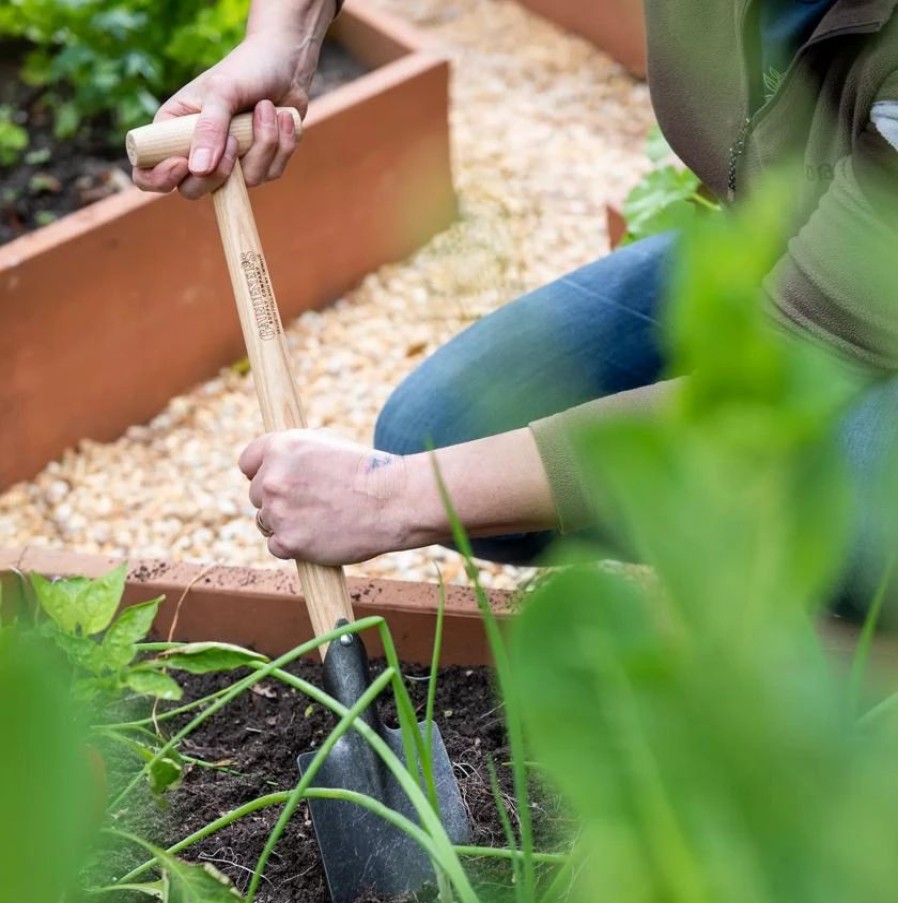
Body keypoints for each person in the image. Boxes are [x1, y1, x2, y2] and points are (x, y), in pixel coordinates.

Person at [134, 0, 898, 612]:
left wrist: (393, 497)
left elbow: (776, 385)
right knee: (446, 426)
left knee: (859, 522)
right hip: (795, 255)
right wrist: (286, 39)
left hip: (849, 326)